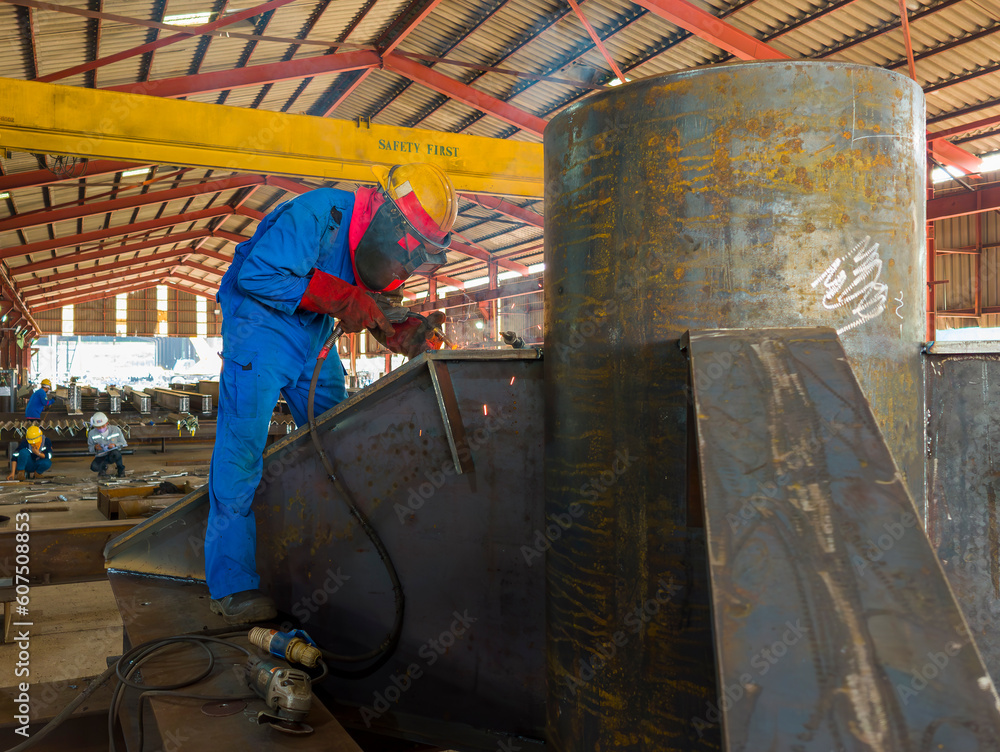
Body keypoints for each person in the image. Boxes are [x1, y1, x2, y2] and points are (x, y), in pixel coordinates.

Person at [206, 162, 455, 624]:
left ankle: (340, 557)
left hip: (312, 334)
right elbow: (256, 276)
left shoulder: (375, 245)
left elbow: (367, 299)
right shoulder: (319, 213)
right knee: (242, 456)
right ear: (388, 217)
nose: (406, 259)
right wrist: (343, 299)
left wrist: (401, 329)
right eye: (407, 248)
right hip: (260, 328)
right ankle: (232, 583)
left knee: (342, 436)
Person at [87, 412, 127, 478]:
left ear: (107, 423)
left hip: (113, 454)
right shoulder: (92, 433)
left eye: (103, 426)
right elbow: (90, 447)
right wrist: (95, 447)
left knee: (116, 453)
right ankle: (103, 469)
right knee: (94, 467)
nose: (101, 428)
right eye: (98, 427)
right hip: (101, 455)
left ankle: (121, 469)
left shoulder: (116, 430)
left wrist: (115, 445)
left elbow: (123, 443)